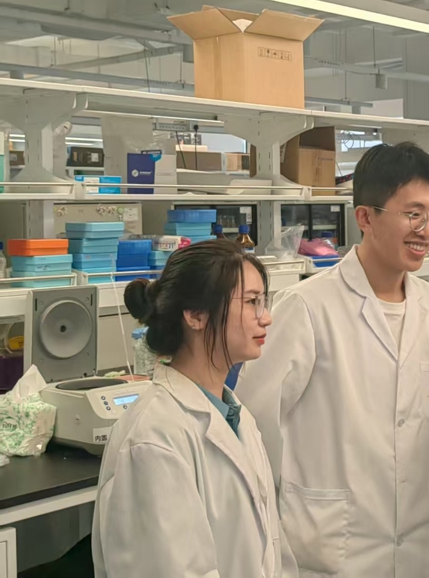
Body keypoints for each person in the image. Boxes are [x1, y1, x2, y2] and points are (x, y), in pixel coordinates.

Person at [236, 142, 429, 578]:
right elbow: (254, 426)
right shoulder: (308, 306)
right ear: (365, 218)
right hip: (332, 547)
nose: (427, 230)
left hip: (420, 539)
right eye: (413, 214)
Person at [92, 240, 296, 578]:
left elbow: (267, 549)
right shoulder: (154, 437)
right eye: (251, 302)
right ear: (195, 315)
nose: (267, 317)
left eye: (263, 301)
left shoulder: (236, 416)